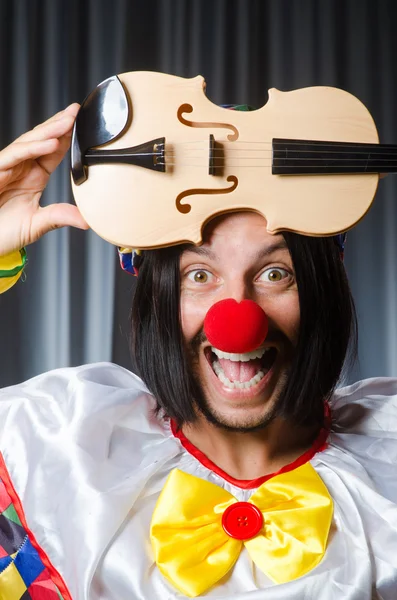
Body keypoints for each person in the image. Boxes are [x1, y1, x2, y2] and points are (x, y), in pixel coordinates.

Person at [0, 104, 396, 600]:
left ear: (322, 292)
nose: (238, 318)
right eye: (199, 276)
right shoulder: (56, 451)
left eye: (276, 274)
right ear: (158, 298)